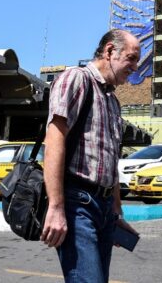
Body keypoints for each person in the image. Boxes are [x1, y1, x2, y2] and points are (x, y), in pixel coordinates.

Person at [41, 29, 140, 283]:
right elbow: (54, 140)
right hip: (78, 205)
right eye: (131, 58)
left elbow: (110, 160)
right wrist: (56, 206)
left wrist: (116, 213)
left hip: (104, 209)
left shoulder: (113, 101)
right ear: (109, 51)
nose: (135, 67)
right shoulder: (76, 79)